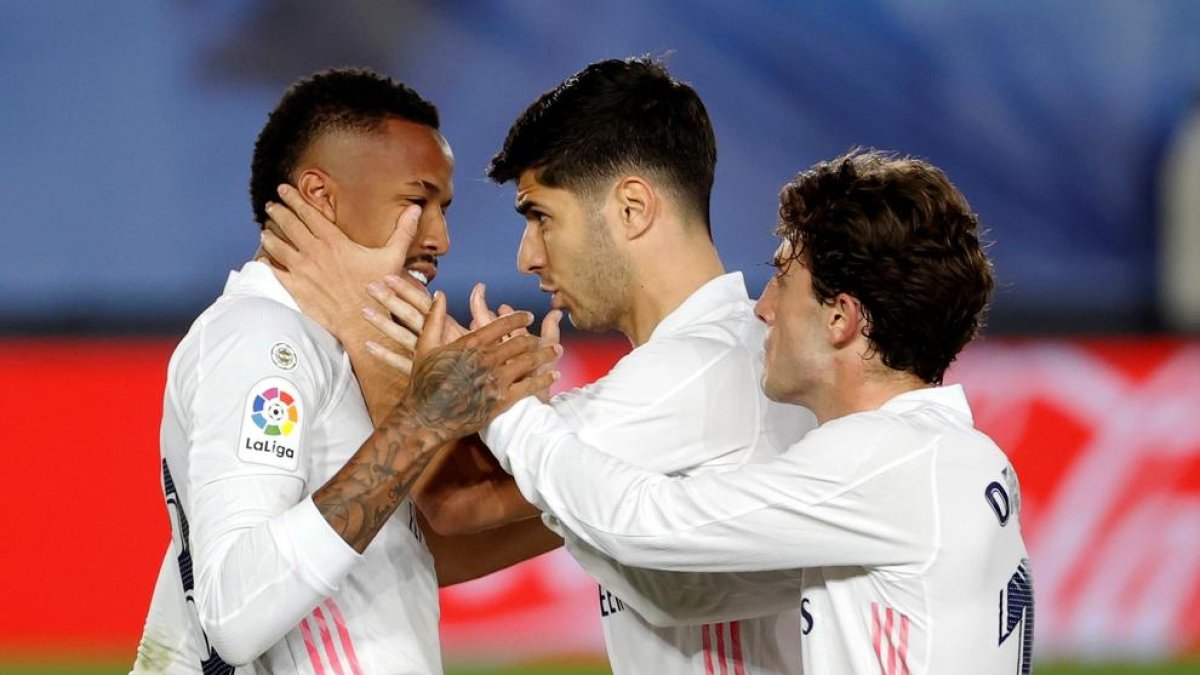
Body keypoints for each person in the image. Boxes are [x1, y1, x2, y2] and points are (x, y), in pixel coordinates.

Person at [263, 57, 815, 674]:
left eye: (541, 217)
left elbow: (458, 501)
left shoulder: (695, 372)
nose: (527, 257)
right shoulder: (718, 362)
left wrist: (362, 313)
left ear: (632, 208)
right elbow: (441, 548)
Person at [453, 149, 1033, 675]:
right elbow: (682, 595)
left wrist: (508, 412)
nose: (763, 307)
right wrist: (570, 508)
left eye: (783, 279)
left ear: (841, 317)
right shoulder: (953, 457)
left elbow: (647, 523)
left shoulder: (882, 459)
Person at [131, 68, 558, 674]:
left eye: (443, 208)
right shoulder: (261, 337)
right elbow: (234, 612)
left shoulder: (335, 338)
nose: (440, 238)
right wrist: (423, 422)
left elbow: (395, 557)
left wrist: (589, 511)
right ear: (319, 196)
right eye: (417, 201)